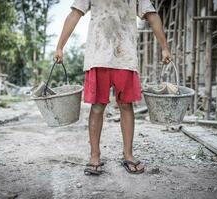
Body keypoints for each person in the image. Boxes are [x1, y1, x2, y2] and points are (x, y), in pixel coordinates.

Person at [55, 0, 171, 175]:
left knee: (126, 105)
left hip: (125, 56)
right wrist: (59, 46)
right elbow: (74, 15)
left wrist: (165, 48)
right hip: (98, 55)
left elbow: (152, 16)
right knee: (97, 106)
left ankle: (128, 155)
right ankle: (94, 156)